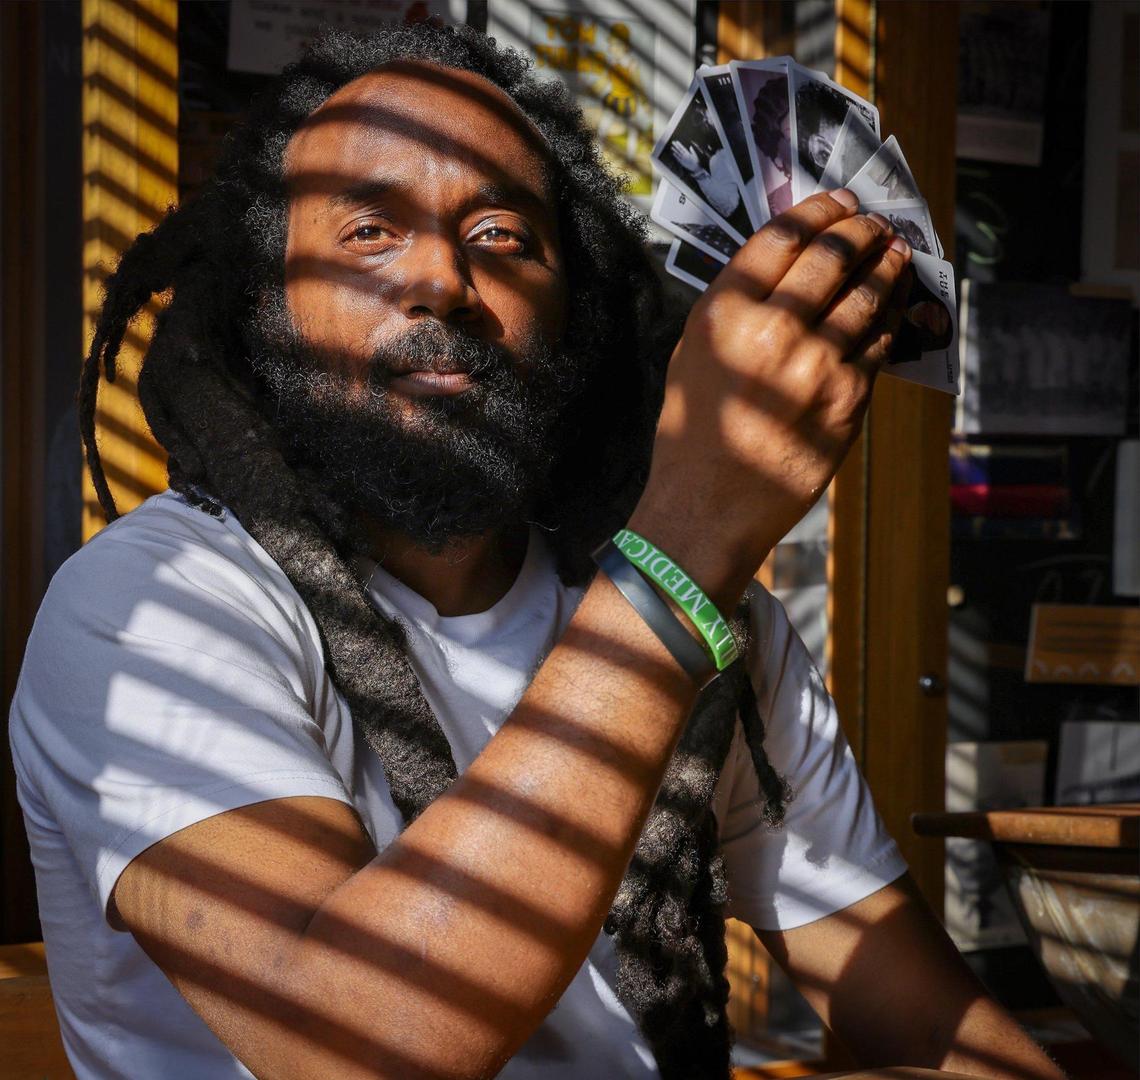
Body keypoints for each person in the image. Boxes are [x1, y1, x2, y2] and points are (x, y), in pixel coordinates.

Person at [10, 23, 1063, 1080]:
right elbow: (356, 1050)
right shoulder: (149, 607)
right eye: (368, 231)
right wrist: (684, 550)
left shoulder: (711, 618)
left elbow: (934, 1031)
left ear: (576, 312)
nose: (441, 278)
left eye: (501, 235)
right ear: (265, 305)